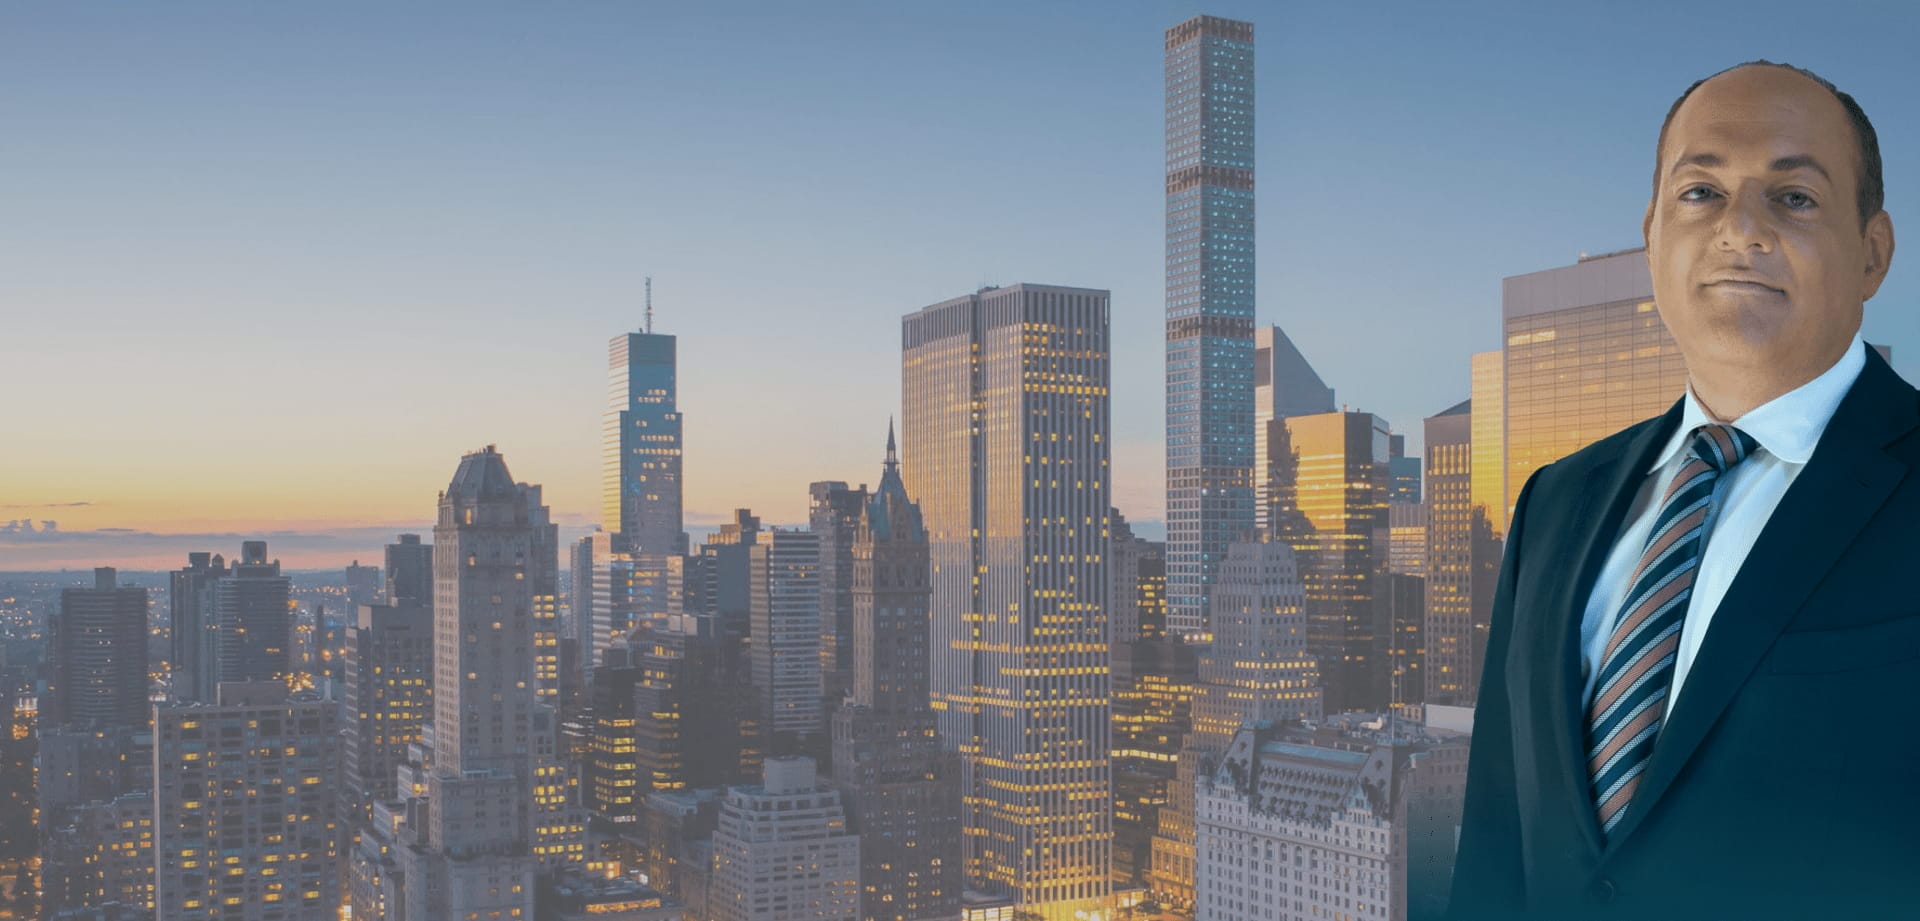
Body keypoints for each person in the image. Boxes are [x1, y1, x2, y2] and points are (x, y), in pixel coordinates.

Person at [1446, 60, 1906, 920]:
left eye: (1794, 197)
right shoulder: (1553, 502)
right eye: (1702, 192)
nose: (1741, 229)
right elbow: (1496, 850)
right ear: (1653, 234)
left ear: (1873, 252)